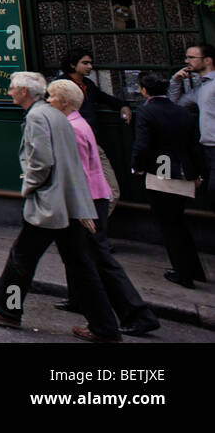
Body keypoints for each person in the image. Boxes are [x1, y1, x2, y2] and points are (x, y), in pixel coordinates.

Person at [0, 72, 121, 342]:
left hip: (49, 204)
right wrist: (82, 206)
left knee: (22, 258)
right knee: (80, 265)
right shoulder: (56, 116)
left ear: (24, 92)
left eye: (12, 89)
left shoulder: (37, 117)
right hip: (67, 204)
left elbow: (41, 162)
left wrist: (28, 186)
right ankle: (105, 326)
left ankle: (8, 308)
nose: (9, 92)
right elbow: (73, 163)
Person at [47, 79, 160, 335]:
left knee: (99, 260)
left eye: (51, 97)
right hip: (92, 199)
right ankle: (81, 300)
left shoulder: (71, 129)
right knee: (82, 257)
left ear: (64, 103)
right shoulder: (76, 122)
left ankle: (136, 313)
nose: (47, 101)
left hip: (89, 201)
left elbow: (80, 173)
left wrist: (82, 209)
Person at [134, 72, 207, 289]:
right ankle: (195, 269)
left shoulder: (146, 111)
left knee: (169, 224)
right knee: (178, 221)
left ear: (144, 90)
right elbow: (194, 145)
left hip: (163, 169)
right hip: (184, 169)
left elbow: (142, 144)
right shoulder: (181, 111)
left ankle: (183, 273)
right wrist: (198, 173)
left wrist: (137, 166)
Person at [53, 48, 130, 201]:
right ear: (73, 65)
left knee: (111, 191)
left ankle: (95, 223)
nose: (90, 66)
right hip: (72, 143)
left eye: (90, 63)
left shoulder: (88, 84)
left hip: (92, 141)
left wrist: (123, 105)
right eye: (85, 63)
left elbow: (105, 98)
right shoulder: (61, 86)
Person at [168, 43, 215, 191]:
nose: (186, 61)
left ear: (208, 60)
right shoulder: (200, 88)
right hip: (207, 148)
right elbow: (174, 104)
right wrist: (175, 81)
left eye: (191, 57)